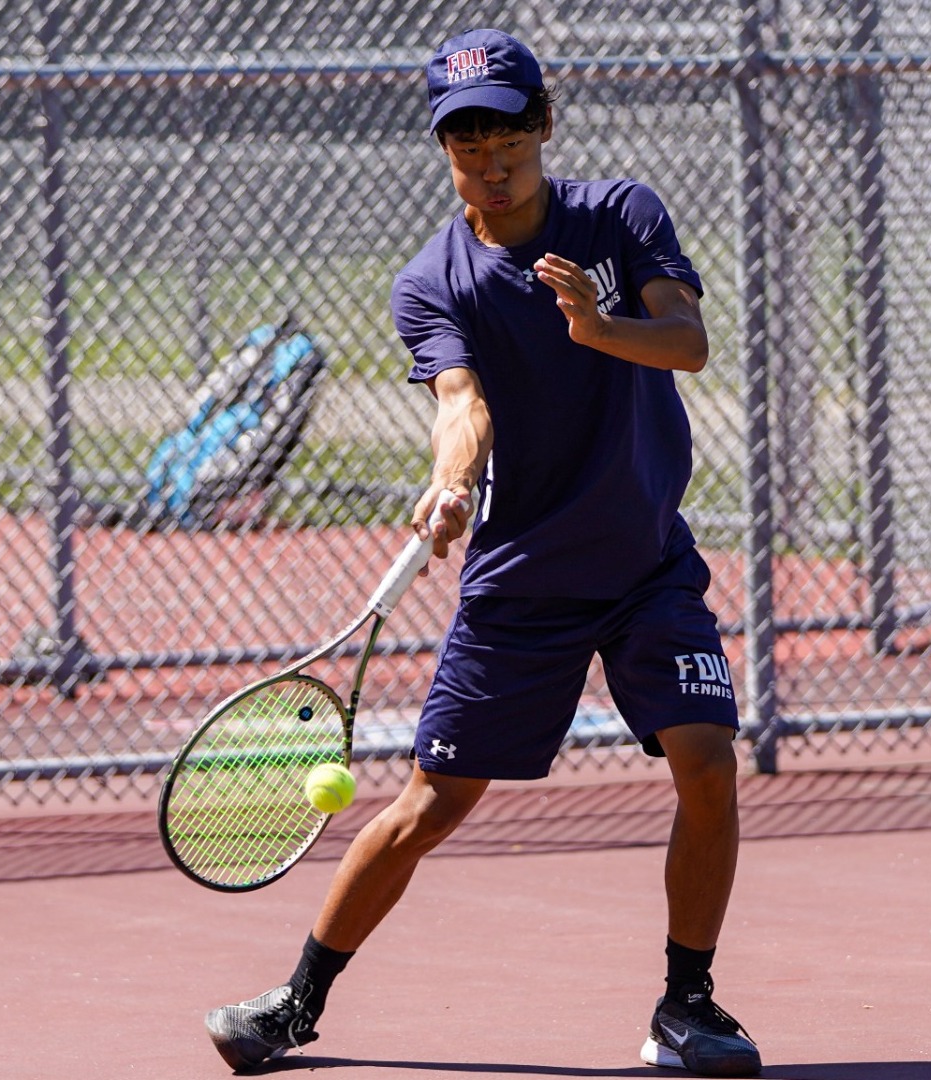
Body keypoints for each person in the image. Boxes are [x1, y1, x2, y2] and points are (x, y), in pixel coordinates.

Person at [204, 28, 759, 1077]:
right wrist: (449, 480)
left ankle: (687, 1007)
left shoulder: (622, 215)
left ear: (544, 125)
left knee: (707, 762)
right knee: (431, 804)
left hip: (647, 567)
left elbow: (685, 342)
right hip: (523, 585)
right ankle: (296, 1003)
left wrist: (600, 330)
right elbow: (462, 402)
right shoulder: (434, 281)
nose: (489, 158)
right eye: (465, 140)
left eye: (506, 132)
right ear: (445, 151)